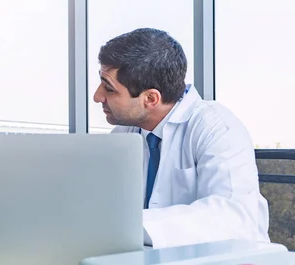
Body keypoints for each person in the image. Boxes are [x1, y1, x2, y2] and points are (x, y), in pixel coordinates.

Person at [93, 28, 269, 248]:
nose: (97, 96)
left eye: (109, 88)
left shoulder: (216, 127)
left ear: (150, 98)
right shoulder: (124, 135)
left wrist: (126, 224)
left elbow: (233, 217)